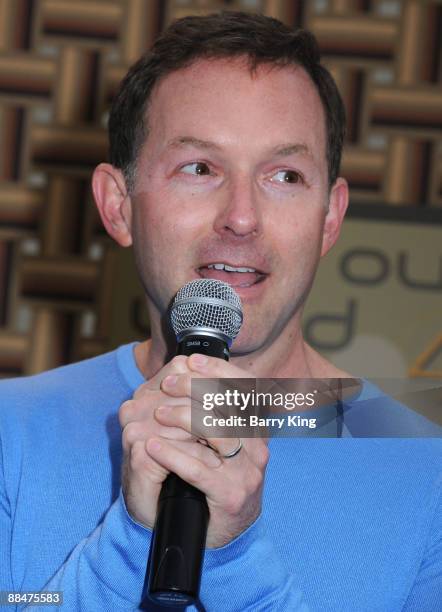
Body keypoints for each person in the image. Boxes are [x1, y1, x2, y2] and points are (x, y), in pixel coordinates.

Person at [0, 11, 440, 612]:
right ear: (119, 205)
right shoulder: (12, 436)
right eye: (200, 168)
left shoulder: (425, 476)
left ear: (330, 217)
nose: (242, 216)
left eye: (285, 175)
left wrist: (234, 560)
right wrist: (132, 543)